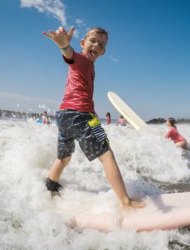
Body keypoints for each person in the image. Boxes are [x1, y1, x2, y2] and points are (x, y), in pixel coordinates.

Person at [42, 26, 145, 209]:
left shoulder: (88, 65)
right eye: (93, 41)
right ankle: (125, 202)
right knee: (107, 154)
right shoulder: (82, 60)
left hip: (64, 115)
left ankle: (50, 189)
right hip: (83, 115)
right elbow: (69, 55)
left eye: (101, 44)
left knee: (64, 158)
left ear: (103, 51)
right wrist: (64, 45)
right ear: (82, 43)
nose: (97, 45)